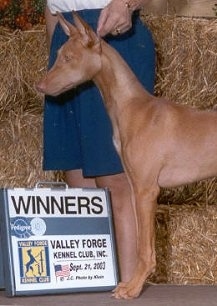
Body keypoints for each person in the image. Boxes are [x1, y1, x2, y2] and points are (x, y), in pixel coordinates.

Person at [43, 0, 155, 283]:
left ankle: (131, 286)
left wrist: (126, 4)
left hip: (111, 34)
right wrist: (58, 58)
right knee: (78, 177)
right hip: (67, 38)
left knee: (116, 177)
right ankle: (91, 282)